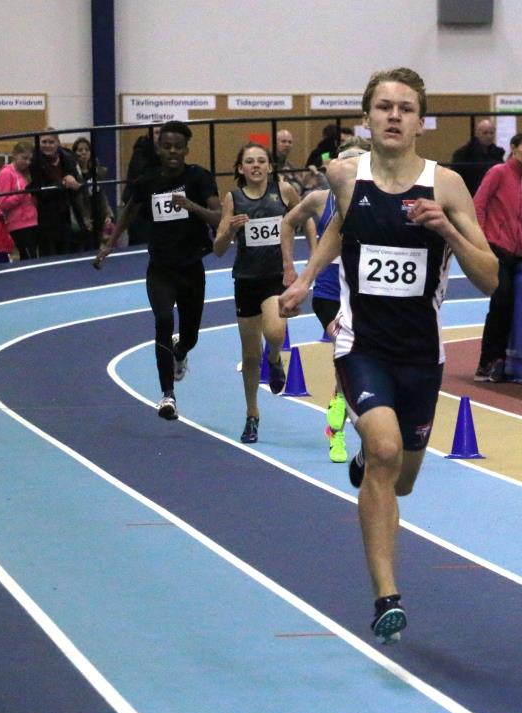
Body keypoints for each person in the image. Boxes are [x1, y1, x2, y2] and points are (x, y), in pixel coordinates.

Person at [279, 67, 498, 644]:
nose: (394, 116)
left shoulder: (446, 185)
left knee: (400, 478)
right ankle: (386, 596)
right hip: (362, 344)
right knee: (382, 448)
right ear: (367, 117)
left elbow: (493, 277)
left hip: (422, 354)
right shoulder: (344, 174)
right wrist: (306, 282)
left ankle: (373, 469)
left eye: (405, 108)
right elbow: (339, 229)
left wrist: (447, 230)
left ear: (421, 121)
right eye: (383, 107)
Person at [94, 120, 221, 420]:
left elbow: (218, 218)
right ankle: (168, 396)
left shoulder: (199, 177)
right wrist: (109, 245)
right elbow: (128, 212)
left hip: (192, 268)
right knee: (163, 320)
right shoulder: (146, 181)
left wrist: (192, 207)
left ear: (186, 149)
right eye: (167, 146)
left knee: (189, 336)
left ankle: (181, 352)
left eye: (178, 147)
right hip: (160, 268)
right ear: (159, 149)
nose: (173, 152)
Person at [279, 137, 370, 463]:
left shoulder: (376, 199)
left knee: (360, 365)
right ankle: (338, 433)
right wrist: (290, 266)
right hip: (330, 299)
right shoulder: (320, 199)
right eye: (348, 164)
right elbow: (288, 222)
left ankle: (349, 427)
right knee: (351, 357)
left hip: (366, 298)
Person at [213, 142, 309, 444]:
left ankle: (276, 358)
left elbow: (306, 217)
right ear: (240, 168)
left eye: (261, 161)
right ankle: (252, 414)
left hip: (275, 279)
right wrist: (229, 230)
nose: (256, 166)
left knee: (276, 331)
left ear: (269, 166)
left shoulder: (284, 191)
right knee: (250, 356)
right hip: (246, 280)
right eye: (249, 161)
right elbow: (217, 249)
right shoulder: (233, 198)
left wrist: (302, 258)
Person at [472, 131, 522, 383]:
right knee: (500, 304)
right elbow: (478, 204)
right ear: (513, 148)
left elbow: (517, 219)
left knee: (509, 306)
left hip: (514, 253)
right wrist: (480, 244)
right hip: (494, 249)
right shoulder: (498, 172)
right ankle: (485, 363)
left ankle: (501, 361)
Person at [32, 129, 87, 256]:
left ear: (58, 143)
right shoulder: (35, 161)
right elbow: (39, 188)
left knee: (67, 251)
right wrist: (62, 184)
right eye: (44, 142)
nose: (47, 145)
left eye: (51, 142)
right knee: (49, 253)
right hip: (46, 214)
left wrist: (73, 180)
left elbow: (79, 182)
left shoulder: (67, 156)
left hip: (67, 211)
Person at [0, 141, 39, 260]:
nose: (27, 162)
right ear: (15, 155)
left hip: (32, 221)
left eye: (30, 159)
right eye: (24, 158)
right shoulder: (6, 173)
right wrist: (22, 193)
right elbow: (3, 203)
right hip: (18, 224)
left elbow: (29, 199)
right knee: (30, 258)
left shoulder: (25, 174)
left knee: (31, 257)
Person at [71, 136, 114, 251]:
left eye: (87, 150)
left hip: (98, 213)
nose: (84, 153)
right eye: (80, 150)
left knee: (98, 247)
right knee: (84, 249)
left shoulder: (96, 171)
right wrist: (84, 218)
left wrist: (108, 214)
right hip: (84, 218)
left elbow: (102, 194)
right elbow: (75, 199)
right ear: (74, 153)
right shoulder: (73, 173)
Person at [451, 118, 506, 196]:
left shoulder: (498, 153)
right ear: (477, 134)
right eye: (485, 133)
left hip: (493, 195)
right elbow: (456, 179)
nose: (489, 136)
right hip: (470, 194)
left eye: (492, 133)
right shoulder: (463, 153)